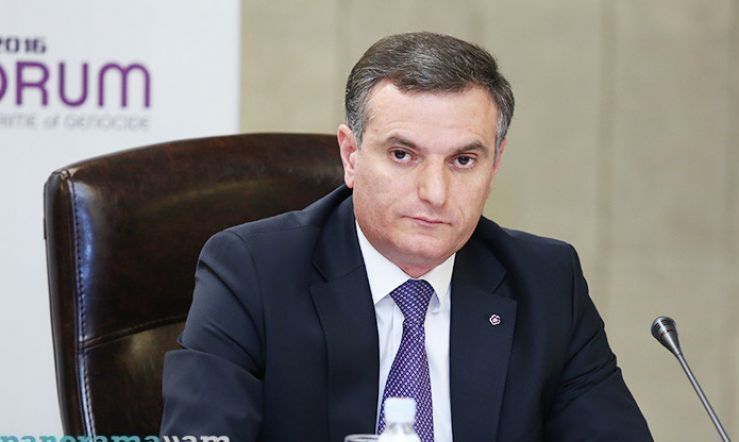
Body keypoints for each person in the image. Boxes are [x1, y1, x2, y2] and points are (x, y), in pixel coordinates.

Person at [161, 32, 652, 442]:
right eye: (403, 155)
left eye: (463, 160)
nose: (434, 193)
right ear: (351, 156)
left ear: (495, 164)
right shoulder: (252, 271)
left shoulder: (546, 282)